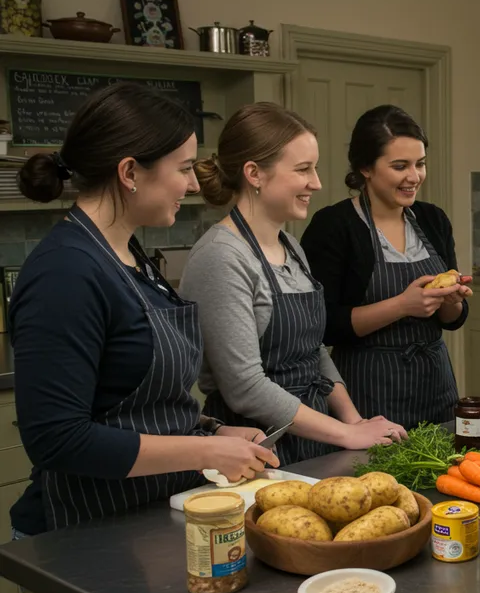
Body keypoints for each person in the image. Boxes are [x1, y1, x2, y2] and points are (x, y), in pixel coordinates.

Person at [8, 83, 278, 537]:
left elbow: (132, 400)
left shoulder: (128, 254)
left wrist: (210, 432)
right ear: (130, 172)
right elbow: (57, 439)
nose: (193, 184)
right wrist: (203, 453)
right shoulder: (66, 273)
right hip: (83, 533)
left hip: (147, 517)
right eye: (184, 168)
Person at [182, 103, 405, 467]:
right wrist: (346, 434)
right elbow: (245, 388)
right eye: (303, 169)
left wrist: (353, 419)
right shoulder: (222, 257)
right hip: (257, 449)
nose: (316, 183)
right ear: (254, 173)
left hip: (314, 437)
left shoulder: (290, 245)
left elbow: (312, 351)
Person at [301, 106, 470, 425]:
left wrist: (452, 301)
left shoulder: (433, 219)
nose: (414, 176)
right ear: (366, 167)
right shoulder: (334, 226)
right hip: (368, 391)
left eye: (420, 164)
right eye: (399, 166)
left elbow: (452, 321)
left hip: (436, 386)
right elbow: (324, 326)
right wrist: (403, 305)